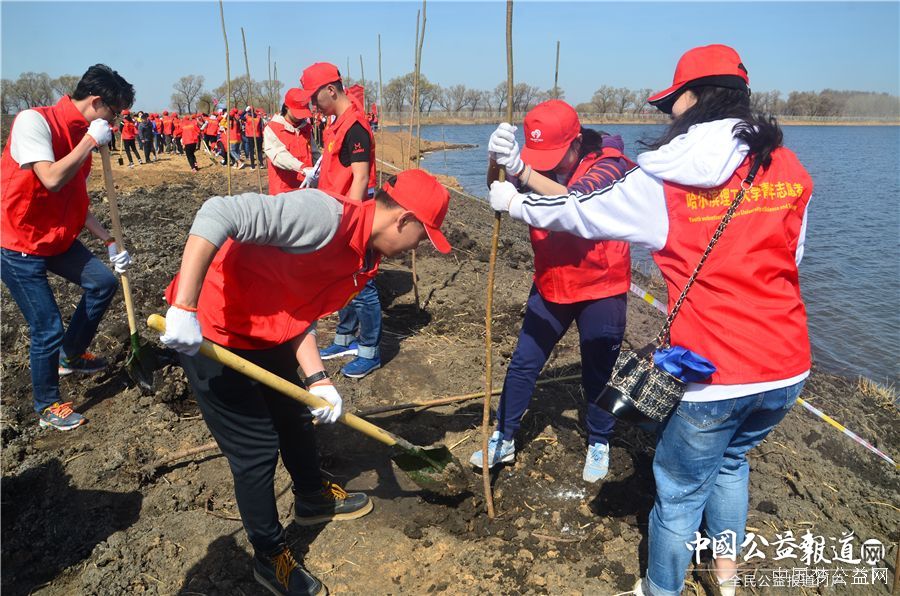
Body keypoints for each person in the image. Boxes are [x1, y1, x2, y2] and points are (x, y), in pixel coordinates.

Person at [488, 44, 813, 596]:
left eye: (672, 104)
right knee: (732, 465)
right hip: (786, 366)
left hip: (715, 372)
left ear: (692, 97)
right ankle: (726, 581)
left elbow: (584, 212)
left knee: (681, 492)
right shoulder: (785, 165)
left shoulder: (668, 175)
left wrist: (512, 198)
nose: (670, 116)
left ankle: (661, 588)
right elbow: (793, 258)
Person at [157, 169, 452, 596]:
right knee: (256, 449)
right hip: (211, 331)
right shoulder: (321, 216)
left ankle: (313, 498)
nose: (418, 249)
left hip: (265, 328)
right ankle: (268, 555)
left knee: (295, 418)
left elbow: (297, 308)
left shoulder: (365, 256)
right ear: (404, 220)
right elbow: (216, 211)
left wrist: (317, 379)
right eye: (422, 238)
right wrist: (184, 306)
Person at [469, 99, 633, 483]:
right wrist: (497, 158)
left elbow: (577, 203)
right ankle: (503, 436)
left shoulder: (609, 164)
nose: (549, 163)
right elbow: (496, 186)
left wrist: (522, 171)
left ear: (578, 141)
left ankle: (599, 438)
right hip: (552, 278)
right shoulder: (533, 162)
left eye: (557, 155)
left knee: (598, 368)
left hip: (600, 283)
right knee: (525, 360)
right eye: (538, 156)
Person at [0, 63, 135, 431]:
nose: (118, 122)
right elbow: (52, 178)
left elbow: (76, 201)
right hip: (19, 243)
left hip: (56, 238)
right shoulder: (34, 122)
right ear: (96, 102)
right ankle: (47, 404)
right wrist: (90, 140)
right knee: (46, 325)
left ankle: (71, 355)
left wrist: (108, 240)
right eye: (116, 113)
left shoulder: (83, 138)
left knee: (102, 283)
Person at [299, 63, 382, 379]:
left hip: (353, 216)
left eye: (314, 97)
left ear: (330, 90)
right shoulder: (337, 123)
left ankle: (370, 351)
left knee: (363, 284)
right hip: (336, 212)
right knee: (342, 279)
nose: (312, 104)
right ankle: (345, 338)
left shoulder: (356, 127)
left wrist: (351, 225)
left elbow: (360, 178)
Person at [262, 89, 315, 195]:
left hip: (306, 187)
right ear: (286, 108)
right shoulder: (272, 128)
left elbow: (314, 152)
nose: (300, 117)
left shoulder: (306, 128)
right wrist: (302, 168)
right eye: (297, 113)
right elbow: (279, 155)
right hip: (283, 190)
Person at [241, 105, 263, 170]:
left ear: (248, 111)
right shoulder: (259, 118)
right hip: (258, 135)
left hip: (250, 136)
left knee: (251, 151)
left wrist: (245, 111)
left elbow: (241, 117)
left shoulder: (247, 118)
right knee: (259, 150)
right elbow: (261, 127)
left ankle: (253, 166)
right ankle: (261, 164)